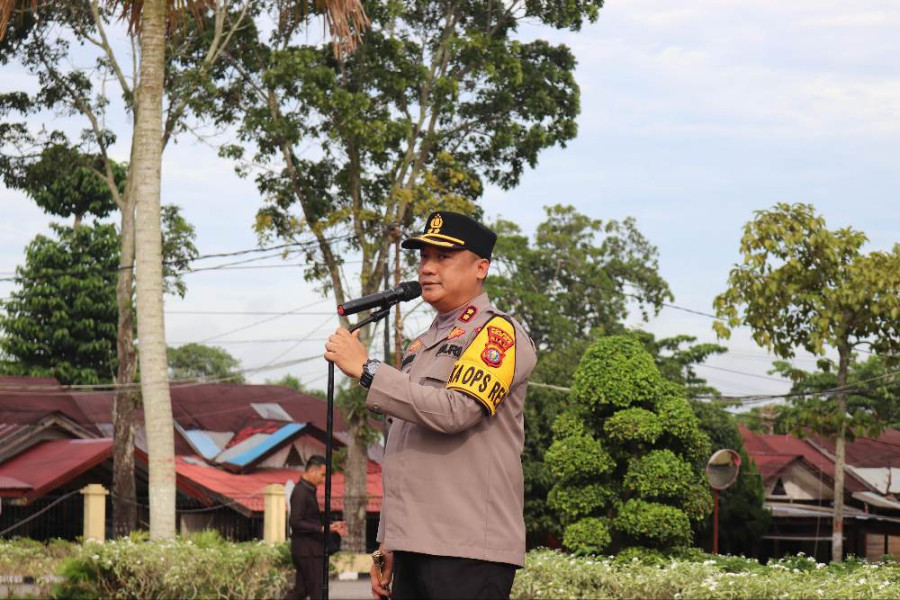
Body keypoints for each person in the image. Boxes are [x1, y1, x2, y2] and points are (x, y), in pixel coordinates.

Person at [324, 211, 537, 600]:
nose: (427, 268)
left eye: (443, 257)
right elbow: (403, 450)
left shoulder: (497, 334)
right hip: (415, 548)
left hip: (468, 549)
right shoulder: (420, 346)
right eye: (424, 258)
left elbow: (456, 411)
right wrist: (387, 541)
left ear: (481, 268)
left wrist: (369, 370)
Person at [286, 455, 347, 600]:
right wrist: (321, 529)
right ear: (312, 471)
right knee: (317, 592)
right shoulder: (300, 492)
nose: (323, 479)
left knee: (300, 591)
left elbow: (310, 519)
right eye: (322, 474)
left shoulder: (307, 490)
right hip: (308, 551)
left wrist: (329, 526)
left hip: (308, 550)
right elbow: (295, 521)